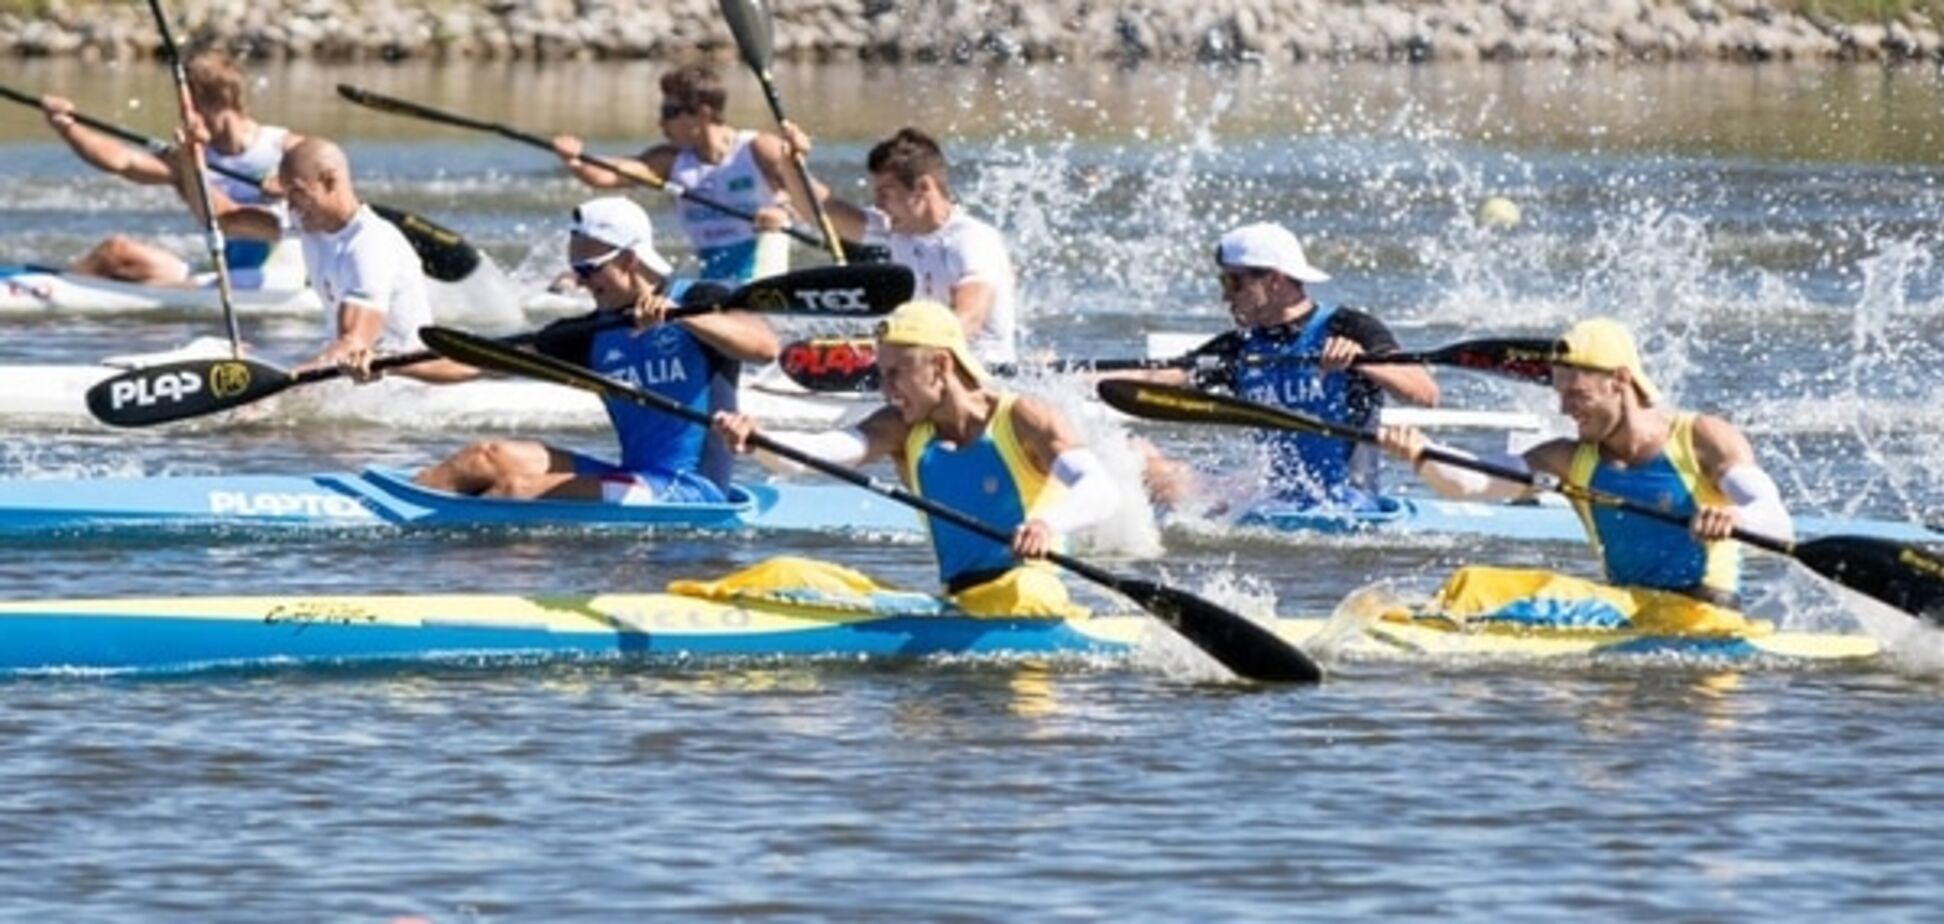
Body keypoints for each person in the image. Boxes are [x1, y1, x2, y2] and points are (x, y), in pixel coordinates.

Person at [1377, 317, 1794, 634]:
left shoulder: (1702, 437)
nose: (1564, 410)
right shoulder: (1567, 459)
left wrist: (1735, 520)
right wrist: (1420, 452)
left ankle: (1413, 627)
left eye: (1576, 395)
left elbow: (1777, 523)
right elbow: (1471, 483)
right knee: (1470, 583)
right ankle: (1419, 621)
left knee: (1476, 589)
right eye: (1560, 395)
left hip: (1705, 618)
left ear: (1621, 381)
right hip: (1630, 610)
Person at [711, 300, 1118, 615]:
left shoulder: (1025, 418)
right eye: (881, 373)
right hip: (958, 601)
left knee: (1026, 591)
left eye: (895, 373)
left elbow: (1100, 491)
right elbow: (817, 454)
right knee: (785, 571)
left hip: (1030, 594)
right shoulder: (903, 429)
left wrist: (1048, 524)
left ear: (940, 365)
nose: (886, 389)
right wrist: (759, 440)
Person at [411, 196, 780, 503]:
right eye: (576, 270)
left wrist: (680, 319)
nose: (581, 282)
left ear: (629, 259)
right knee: (484, 458)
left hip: (690, 491)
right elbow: (473, 360)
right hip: (634, 479)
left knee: (516, 490)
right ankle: (394, 506)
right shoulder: (591, 332)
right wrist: (386, 365)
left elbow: (764, 347)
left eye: (588, 269)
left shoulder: (702, 299)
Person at [1138, 221, 1438, 511]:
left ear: (1274, 281)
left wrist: (1361, 362)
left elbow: (1426, 393)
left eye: (1233, 282)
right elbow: (1155, 377)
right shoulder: (1241, 347)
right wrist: (1091, 380)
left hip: (1347, 507)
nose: (1225, 296)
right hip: (1275, 499)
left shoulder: (1348, 326)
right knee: (1143, 461)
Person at [37, 49, 303, 288]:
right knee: (115, 253)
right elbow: (122, 161)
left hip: (277, 277)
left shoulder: (287, 148)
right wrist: (68, 128)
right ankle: (54, 289)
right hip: (224, 273)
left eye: (184, 103)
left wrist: (292, 184)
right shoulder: (187, 157)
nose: (181, 113)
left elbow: (330, 190)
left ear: (210, 101)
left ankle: (53, 293)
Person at [549, 63, 818, 283]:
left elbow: (805, 194)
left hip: (764, 267)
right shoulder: (669, 161)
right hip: (712, 274)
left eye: (670, 112)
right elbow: (607, 175)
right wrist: (575, 160)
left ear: (703, 113)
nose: (661, 122)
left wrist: (783, 210)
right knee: (569, 281)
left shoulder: (758, 148)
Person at [780, 125, 1019, 364]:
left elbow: (968, 320)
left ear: (923, 187)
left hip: (980, 374)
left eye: (886, 193)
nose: (878, 203)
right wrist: (791, 164)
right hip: (921, 370)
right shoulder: (897, 230)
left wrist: (899, 353)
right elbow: (825, 211)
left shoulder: (973, 241)